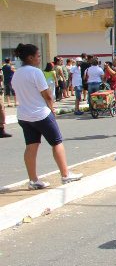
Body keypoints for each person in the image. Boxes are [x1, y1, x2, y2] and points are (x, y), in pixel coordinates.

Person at [10, 43, 83, 189]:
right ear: (30, 58)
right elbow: (47, 95)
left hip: (24, 115)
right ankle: (65, 175)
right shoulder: (35, 72)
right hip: (41, 113)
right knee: (57, 142)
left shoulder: (16, 73)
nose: (39, 59)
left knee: (31, 146)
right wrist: (52, 110)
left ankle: (33, 180)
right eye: (37, 56)